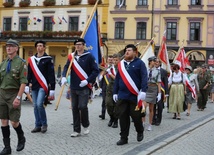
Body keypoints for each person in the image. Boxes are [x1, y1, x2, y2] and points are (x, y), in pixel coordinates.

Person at [61, 38, 99, 137]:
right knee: (74, 108)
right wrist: (64, 76)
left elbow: (95, 71)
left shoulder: (89, 56)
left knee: (82, 106)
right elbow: (66, 67)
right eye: (76, 44)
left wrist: (87, 80)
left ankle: (85, 125)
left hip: (84, 86)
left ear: (83, 45)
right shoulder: (72, 57)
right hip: (73, 86)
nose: (77, 46)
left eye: (79, 44)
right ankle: (76, 130)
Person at [113, 44, 147, 145]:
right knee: (122, 117)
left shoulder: (140, 63)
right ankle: (123, 138)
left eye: (129, 50)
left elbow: (144, 77)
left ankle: (140, 130)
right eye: (126, 50)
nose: (127, 52)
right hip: (122, 95)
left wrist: (143, 91)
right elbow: (117, 79)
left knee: (136, 116)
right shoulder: (121, 64)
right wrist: (115, 92)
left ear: (135, 52)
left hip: (135, 95)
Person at [0, 39, 28, 154]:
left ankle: (21, 138)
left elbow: (23, 82)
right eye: (7, 46)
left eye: (11, 46)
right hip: (2, 93)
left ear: (16, 48)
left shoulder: (21, 63)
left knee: (14, 122)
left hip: (14, 93)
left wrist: (18, 97)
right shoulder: (3, 63)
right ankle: (7, 147)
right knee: (3, 121)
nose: (8, 48)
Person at [26, 40, 56, 134]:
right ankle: (37, 125)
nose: (39, 47)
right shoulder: (32, 59)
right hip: (34, 85)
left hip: (43, 85)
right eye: (37, 46)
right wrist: (27, 84)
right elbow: (29, 73)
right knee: (35, 106)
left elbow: (51, 74)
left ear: (44, 48)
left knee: (39, 104)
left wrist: (53, 88)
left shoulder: (48, 59)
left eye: (40, 46)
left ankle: (44, 124)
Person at [142, 56, 161, 131]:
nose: (155, 63)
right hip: (146, 88)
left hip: (153, 89)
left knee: (151, 108)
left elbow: (159, 82)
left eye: (156, 61)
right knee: (143, 107)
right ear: (150, 62)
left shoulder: (157, 71)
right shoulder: (145, 70)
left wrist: (159, 93)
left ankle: (150, 124)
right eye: (154, 61)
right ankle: (143, 122)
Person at [105, 54, 120, 128]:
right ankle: (111, 117)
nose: (114, 61)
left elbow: (118, 79)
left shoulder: (121, 68)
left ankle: (116, 120)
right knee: (108, 104)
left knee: (116, 105)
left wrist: (110, 74)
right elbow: (102, 73)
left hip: (118, 88)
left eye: (116, 60)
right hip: (110, 87)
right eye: (113, 60)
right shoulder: (109, 67)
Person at [152, 58, 169, 126]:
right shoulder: (151, 70)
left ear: (160, 63)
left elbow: (166, 82)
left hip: (161, 91)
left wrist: (166, 93)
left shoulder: (163, 71)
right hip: (153, 90)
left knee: (159, 106)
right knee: (152, 106)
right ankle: (153, 119)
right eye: (155, 62)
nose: (156, 63)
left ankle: (158, 120)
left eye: (157, 62)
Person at [98, 55, 113, 120]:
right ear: (107, 60)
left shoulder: (114, 68)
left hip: (112, 86)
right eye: (109, 59)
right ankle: (103, 114)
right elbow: (100, 78)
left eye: (111, 60)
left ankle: (112, 116)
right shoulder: (104, 68)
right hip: (105, 86)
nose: (110, 61)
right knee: (104, 101)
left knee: (111, 102)